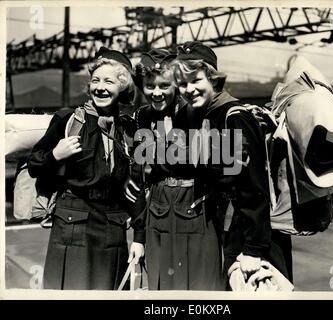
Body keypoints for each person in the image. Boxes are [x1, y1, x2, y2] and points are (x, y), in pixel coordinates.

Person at [171, 41, 293, 288]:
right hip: (226, 228)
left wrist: (253, 249)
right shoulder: (204, 115)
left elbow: (254, 187)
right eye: (182, 83)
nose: (189, 89)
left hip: (249, 233)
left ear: (213, 79)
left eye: (196, 80)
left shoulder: (235, 118)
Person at [27, 47, 145, 290]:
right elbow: (34, 164)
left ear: (122, 87)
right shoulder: (68, 119)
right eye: (95, 80)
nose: (100, 87)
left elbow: (134, 187)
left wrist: (140, 238)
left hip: (111, 228)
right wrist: (55, 156)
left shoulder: (128, 130)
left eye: (108, 81)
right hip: (73, 223)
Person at [133, 48, 224, 290]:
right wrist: (138, 237)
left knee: (201, 286)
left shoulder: (199, 113)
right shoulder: (142, 118)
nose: (157, 93)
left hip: (197, 208)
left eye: (164, 85)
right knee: (161, 286)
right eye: (150, 86)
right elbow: (140, 181)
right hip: (158, 211)